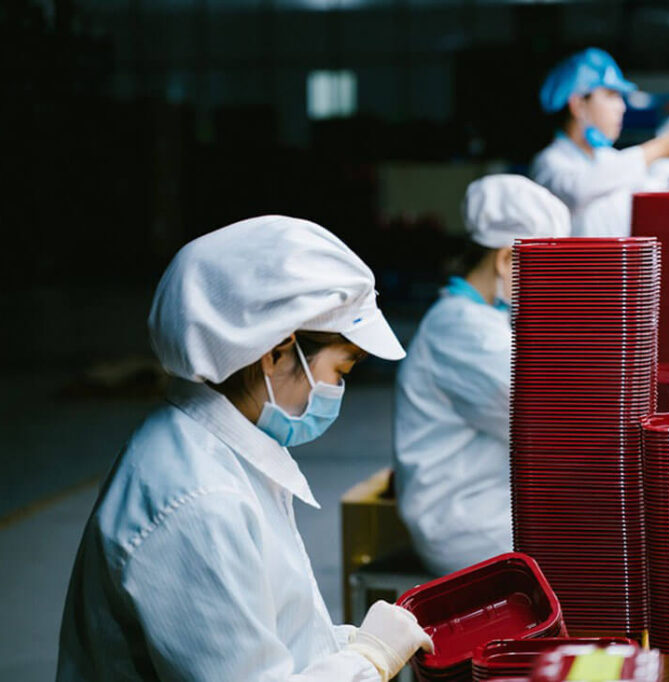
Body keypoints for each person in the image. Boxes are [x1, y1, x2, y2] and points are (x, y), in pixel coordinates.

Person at [57, 216, 433, 681]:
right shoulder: (199, 504)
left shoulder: (214, 449)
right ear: (277, 353)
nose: (338, 390)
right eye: (342, 371)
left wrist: (347, 644)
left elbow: (264, 637)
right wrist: (368, 660)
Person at [394, 175, 571, 577]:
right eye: (549, 269)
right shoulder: (465, 331)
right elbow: (548, 425)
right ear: (507, 259)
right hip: (468, 523)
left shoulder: (480, 322)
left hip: (491, 503)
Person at [531, 47, 669, 238]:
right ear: (578, 105)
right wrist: (661, 147)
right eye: (611, 95)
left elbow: (656, 182)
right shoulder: (549, 164)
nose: (621, 107)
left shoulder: (609, 159)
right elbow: (580, 188)